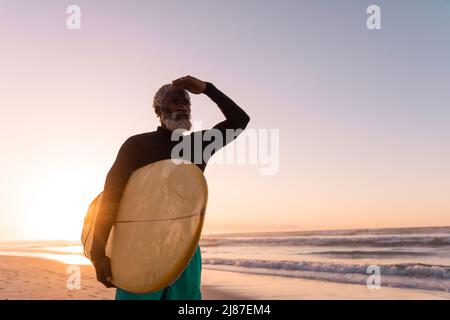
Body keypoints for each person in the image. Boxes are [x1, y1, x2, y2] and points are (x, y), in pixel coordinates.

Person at [90, 75, 250, 300]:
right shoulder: (137, 145)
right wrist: (98, 255)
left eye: (186, 102)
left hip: (185, 249)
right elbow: (111, 198)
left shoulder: (198, 145)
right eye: (175, 101)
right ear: (159, 110)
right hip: (138, 247)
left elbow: (239, 120)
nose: (183, 106)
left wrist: (207, 89)